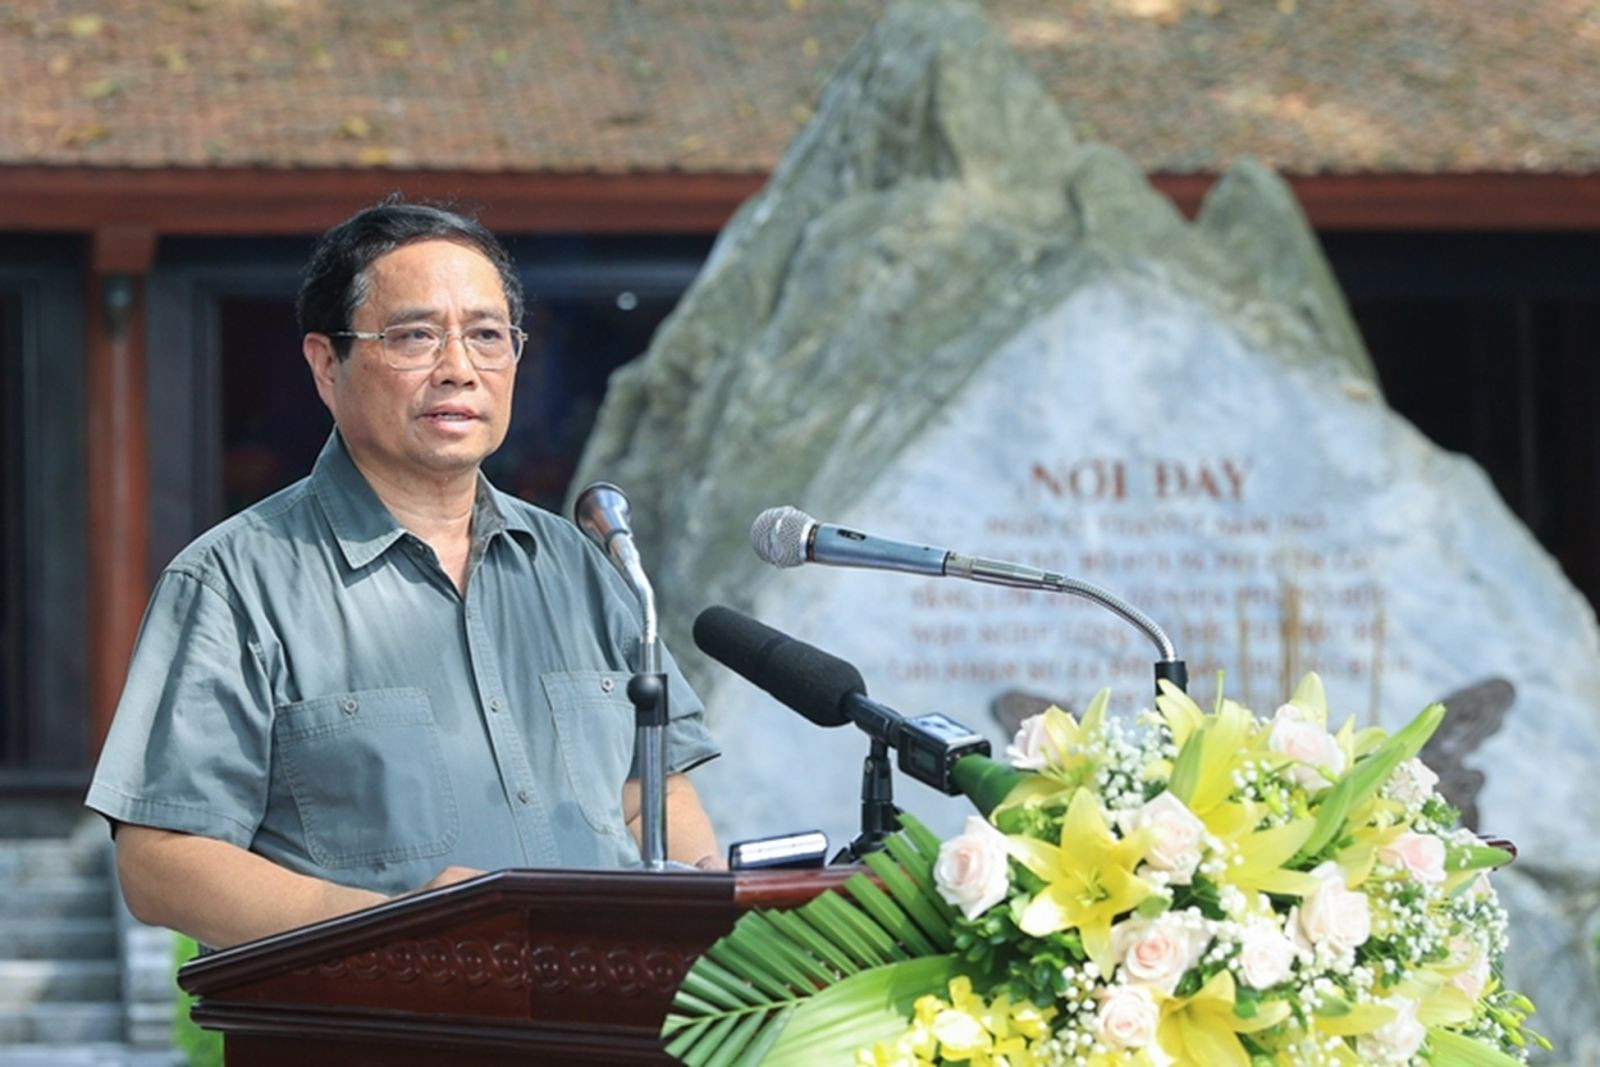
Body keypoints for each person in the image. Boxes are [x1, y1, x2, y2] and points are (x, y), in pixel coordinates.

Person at [87, 199, 722, 950]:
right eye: (415, 335)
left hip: (606, 1019)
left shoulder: (584, 567)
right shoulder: (232, 584)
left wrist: (705, 892)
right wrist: (392, 925)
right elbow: (160, 861)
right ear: (327, 364)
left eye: (487, 335)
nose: (458, 368)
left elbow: (651, 793)